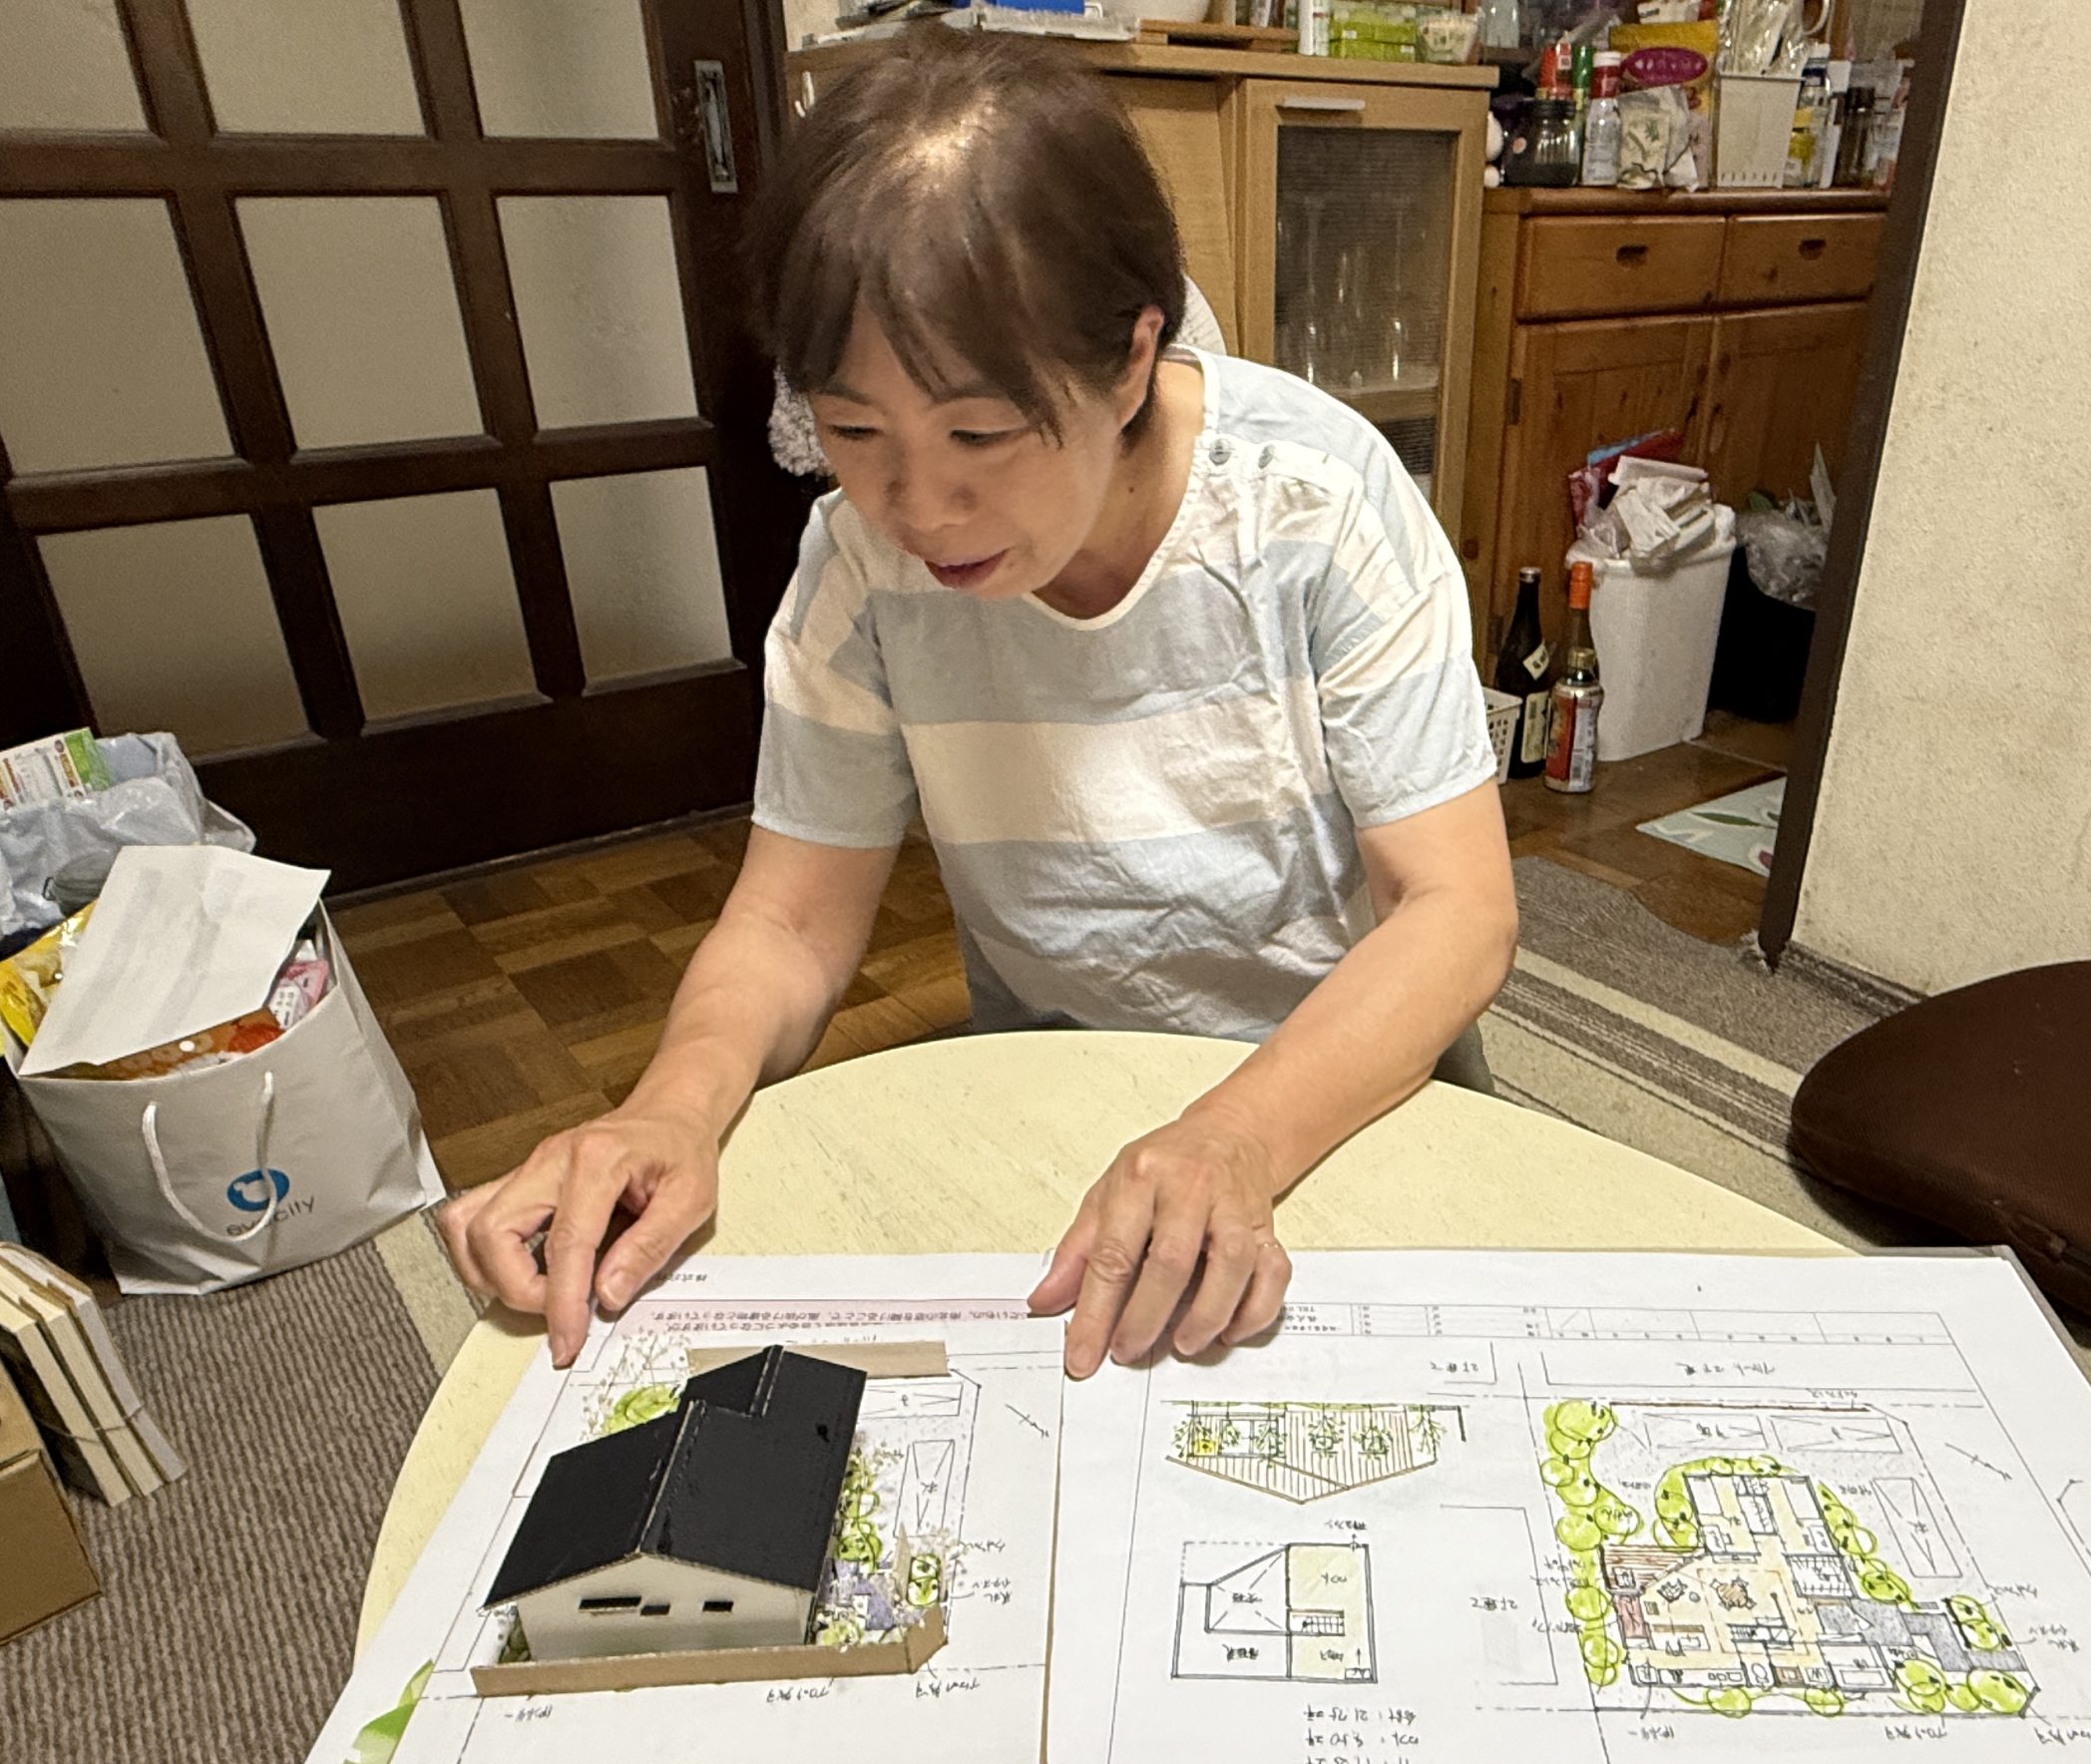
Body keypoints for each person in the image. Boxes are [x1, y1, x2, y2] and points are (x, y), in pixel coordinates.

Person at [438, 25, 1516, 1381]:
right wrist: (670, 1107)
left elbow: (1456, 911)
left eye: (980, 435)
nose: (919, 506)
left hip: (1342, 1098)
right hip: (1054, 1101)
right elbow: (787, 922)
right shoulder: (861, 563)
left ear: (1131, 361)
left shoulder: (1315, 505)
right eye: (855, 432)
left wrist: (1234, 1135)